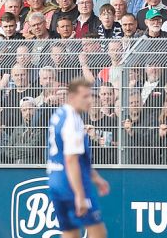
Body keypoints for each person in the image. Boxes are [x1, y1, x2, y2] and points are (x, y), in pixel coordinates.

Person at [46, 78, 110, 238]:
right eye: (85, 96)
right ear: (72, 97)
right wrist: (80, 195)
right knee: (98, 232)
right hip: (70, 184)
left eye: (91, 96)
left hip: (55, 181)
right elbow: (71, 160)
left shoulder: (59, 114)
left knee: (70, 233)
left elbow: (76, 157)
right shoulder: (72, 120)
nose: (90, 100)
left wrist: (96, 178)